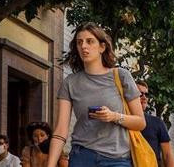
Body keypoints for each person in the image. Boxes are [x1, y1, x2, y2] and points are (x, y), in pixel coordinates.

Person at [47, 23, 147, 167]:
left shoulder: (121, 76)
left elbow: (140, 122)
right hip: (82, 156)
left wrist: (114, 116)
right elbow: (61, 130)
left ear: (102, 47)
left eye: (90, 41)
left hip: (117, 159)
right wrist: (50, 164)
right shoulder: (70, 82)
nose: (83, 46)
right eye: (79, 42)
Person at [136, 81, 174, 167]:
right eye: (139, 93)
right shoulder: (122, 120)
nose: (144, 97)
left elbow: (167, 155)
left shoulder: (157, 123)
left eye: (146, 94)